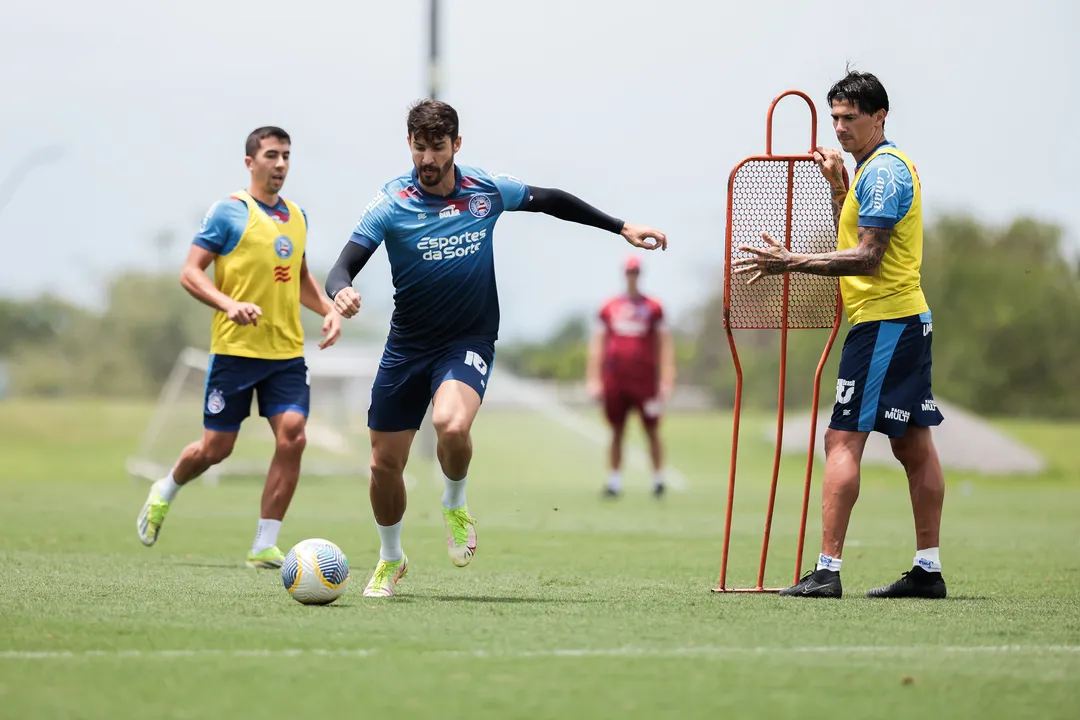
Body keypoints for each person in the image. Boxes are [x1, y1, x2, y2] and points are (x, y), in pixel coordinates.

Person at [325, 99, 668, 598]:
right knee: (383, 464)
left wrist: (620, 227)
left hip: (468, 339)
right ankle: (390, 557)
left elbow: (550, 199)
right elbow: (343, 266)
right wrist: (340, 290)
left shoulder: (485, 190)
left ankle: (454, 502)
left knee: (451, 423)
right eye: (419, 147)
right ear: (409, 145)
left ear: (456, 145)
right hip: (407, 344)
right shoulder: (391, 203)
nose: (427, 159)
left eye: (437, 148)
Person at [733, 70, 947, 599]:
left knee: (842, 438)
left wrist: (790, 262)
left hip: (884, 323)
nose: (840, 127)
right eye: (834, 117)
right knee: (912, 443)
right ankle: (927, 570)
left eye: (850, 117)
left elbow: (868, 260)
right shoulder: (868, 172)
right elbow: (854, 237)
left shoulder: (887, 172)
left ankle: (826, 571)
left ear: (880, 117)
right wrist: (837, 188)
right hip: (896, 322)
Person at [136, 126, 342, 569]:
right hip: (235, 354)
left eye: (287, 155)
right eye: (272, 155)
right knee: (216, 450)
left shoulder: (298, 216)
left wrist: (327, 309)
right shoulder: (229, 213)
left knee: (294, 436)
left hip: (285, 354)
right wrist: (228, 304)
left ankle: (264, 544)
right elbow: (190, 272)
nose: (281, 164)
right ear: (250, 162)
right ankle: (165, 489)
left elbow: (300, 280)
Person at [586, 255, 675, 498]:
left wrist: (667, 379)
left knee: (652, 429)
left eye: (636, 272)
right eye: (629, 272)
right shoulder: (610, 306)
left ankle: (658, 479)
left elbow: (664, 344)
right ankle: (614, 481)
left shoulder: (654, 307)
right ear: (624, 274)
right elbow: (598, 345)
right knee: (616, 430)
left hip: (645, 380)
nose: (632, 276)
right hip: (615, 379)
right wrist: (593, 379)